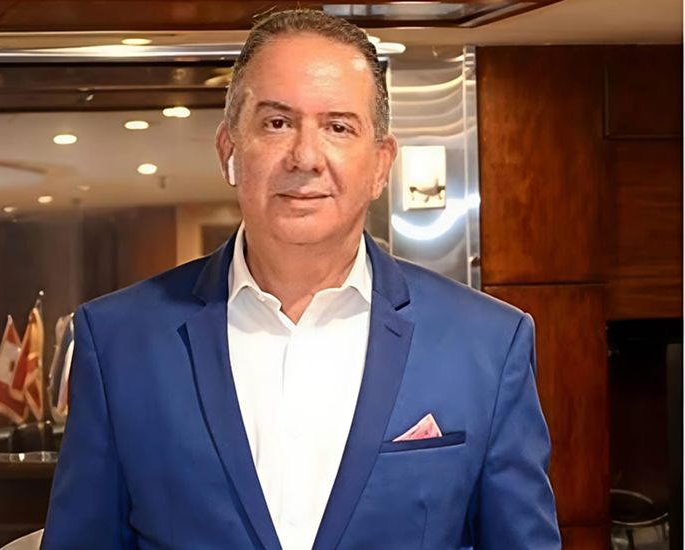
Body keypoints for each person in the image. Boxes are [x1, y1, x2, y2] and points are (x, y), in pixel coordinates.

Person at [41, 9, 560, 550]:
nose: (306, 157)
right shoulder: (117, 341)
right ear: (229, 151)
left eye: (338, 126)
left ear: (381, 164)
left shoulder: (487, 344)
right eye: (277, 123)